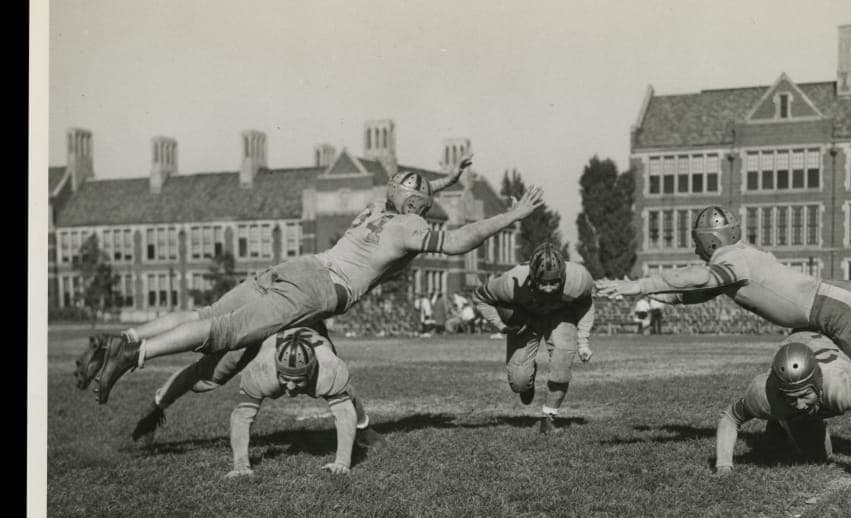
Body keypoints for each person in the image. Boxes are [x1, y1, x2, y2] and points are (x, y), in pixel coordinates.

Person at [77, 159, 545, 403]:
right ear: (417, 206)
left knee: (208, 315)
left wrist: (445, 180)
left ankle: (127, 336)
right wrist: (513, 213)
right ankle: (135, 353)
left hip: (301, 265)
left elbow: (408, 193)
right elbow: (462, 240)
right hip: (319, 288)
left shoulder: (378, 209)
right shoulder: (410, 227)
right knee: (222, 334)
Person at [596, 205, 851, 432]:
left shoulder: (732, 259)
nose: (695, 250)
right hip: (843, 300)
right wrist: (640, 291)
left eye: (697, 243)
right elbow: (695, 292)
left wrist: (641, 284)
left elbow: (697, 279)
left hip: (838, 308)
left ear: (709, 239)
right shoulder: (738, 259)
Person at [132, 327, 371, 479]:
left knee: (345, 392)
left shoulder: (330, 368)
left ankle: (365, 428)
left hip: (313, 327)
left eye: (297, 382)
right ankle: (158, 404)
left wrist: (342, 463)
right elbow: (242, 417)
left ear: (311, 371)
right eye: (285, 380)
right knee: (204, 377)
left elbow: (343, 412)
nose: (289, 389)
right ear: (277, 370)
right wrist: (241, 465)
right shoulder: (261, 370)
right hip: (263, 335)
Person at [716, 331, 851, 490]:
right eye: (791, 397)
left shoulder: (844, 382)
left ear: (817, 383)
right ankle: (780, 421)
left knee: (817, 453)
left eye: (805, 395)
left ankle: (783, 421)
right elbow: (730, 417)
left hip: (823, 340)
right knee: (815, 457)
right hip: (793, 344)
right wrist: (724, 466)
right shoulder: (765, 393)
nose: (799, 404)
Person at [473, 242, 594, 434]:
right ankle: (527, 379)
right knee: (519, 381)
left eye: (553, 282)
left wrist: (583, 341)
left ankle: (549, 417)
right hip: (525, 319)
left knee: (562, 361)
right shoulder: (511, 281)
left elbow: (586, 305)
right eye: (542, 282)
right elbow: (480, 297)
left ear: (562, 275)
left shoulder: (579, 278)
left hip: (560, 315)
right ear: (531, 276)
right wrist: (501, 325)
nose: (547, 288)